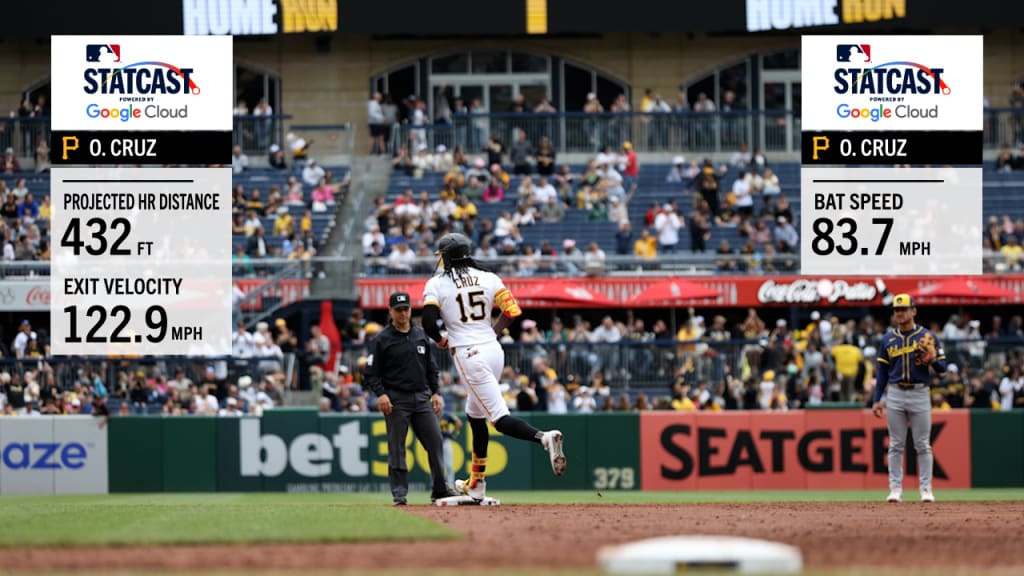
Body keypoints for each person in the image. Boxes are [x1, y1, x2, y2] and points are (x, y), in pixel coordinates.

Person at [422, 233, 566, 502]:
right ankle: (477, 483)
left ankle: (544, 438)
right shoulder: (489, 277)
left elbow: (428, 321)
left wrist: (441, 339)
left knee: (498, 419)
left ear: (447, 257)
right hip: (493, 350)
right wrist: (492, 331)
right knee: (475, 416)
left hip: (469, 353)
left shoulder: (437, 283)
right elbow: (512, 311)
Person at [365, 292, 457, 506]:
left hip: (422, 397)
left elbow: (431, 368)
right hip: (396, 399)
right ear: (390, 311)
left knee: (435, 441)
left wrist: (436, 392)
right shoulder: (381, 339)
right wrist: (381, 394)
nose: (403, 313)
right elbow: (370, 372)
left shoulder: (420, 335)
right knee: (397, 446)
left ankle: (440, 489)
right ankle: (399, 493)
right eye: (398, 309)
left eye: (406, 308)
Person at [871, 294, 948, 504]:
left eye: (904, 309)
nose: (900, 313)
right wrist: (877, 399)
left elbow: (943, 369)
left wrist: (931, 358)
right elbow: (882, 373)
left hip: (920, 391)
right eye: (897, 310)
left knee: (922, 444)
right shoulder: (888, 339)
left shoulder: (927, 336)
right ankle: (895, 489)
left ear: (913, 311)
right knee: (896, 444)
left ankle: (926, 489)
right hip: (895, 392)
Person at [439, 410, 463, 487]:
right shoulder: (430, 414)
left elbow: (458, 422)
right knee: (437, 465)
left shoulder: (446, 415)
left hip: (445, 440)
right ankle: (438, 485)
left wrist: (452, 432)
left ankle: (450, 485)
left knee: (449, 465)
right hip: (435, 442)